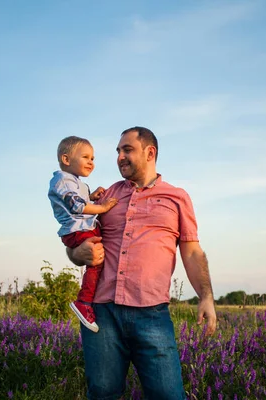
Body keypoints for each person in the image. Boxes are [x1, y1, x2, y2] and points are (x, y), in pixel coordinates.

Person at [67, 127, 217, 400]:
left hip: (152, 314)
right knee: (102, 393)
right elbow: (76, 245)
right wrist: (80, 254)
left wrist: (206, 296)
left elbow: (192, 252)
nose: (120, 157)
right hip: (101, 313)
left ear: (150, 153)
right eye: (118, 151)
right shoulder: (107, 195)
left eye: (127, 150)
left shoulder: (177, 197)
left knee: (167, 395)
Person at [48, 136, 118, 332]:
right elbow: (76, 206)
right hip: (77, 230)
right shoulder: (62, 180)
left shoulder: (74, 181)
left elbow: (80, 199)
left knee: (100, 257)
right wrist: (102, 207)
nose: (91, 162)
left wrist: (91, 196)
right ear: (66, 159)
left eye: (93, 158)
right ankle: (84, 302)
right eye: (86, 157)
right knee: (95, 263)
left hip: (81, 228)